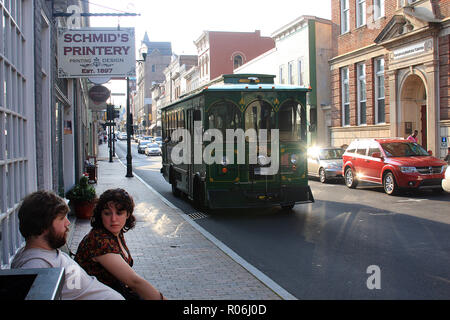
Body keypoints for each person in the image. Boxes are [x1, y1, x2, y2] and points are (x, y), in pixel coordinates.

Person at [11, 190, 124, 300]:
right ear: (43, 226)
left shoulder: (44, 252)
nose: (68, 223)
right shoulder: (35, 266)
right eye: (62, 218)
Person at [74, 188, 166, 300]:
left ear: (127, 214)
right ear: (100, 215)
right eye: (107, 213)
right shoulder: (99, 239)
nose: (113, 219)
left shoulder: (116, 233)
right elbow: (134, 281)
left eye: (119, 213)